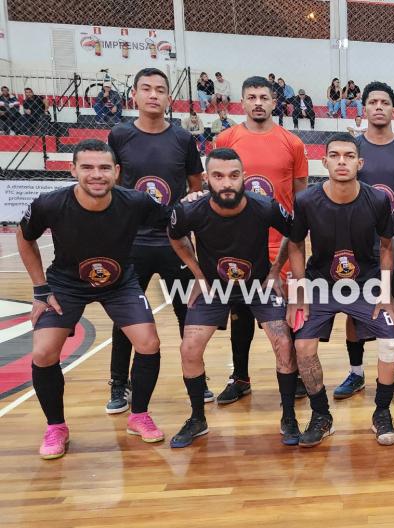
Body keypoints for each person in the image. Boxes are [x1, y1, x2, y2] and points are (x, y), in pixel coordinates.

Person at [18, 139, 167, 459]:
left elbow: (175, 222)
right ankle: (56, 427)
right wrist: (40, 289)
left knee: (148, 343)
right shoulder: (50, 204)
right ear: (73, 170)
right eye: (87, 167)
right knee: (43, 352)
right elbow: (24, 236)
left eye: (103, 168)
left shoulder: (136, 202)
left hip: (120, 282)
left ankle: (139, 415)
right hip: (66, 284)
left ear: (117, 171)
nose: (96, 174)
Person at [167, 148, 298, 448]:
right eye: (218, 176)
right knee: (189, 348)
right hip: (215, 287)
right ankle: (197, 418)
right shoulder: (189, 210)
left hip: (258, 286)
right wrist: (198, 274)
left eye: (234, 175)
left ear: (244, 178)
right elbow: (175, 236)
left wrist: (275, 270)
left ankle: (289, 416)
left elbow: (294, 233)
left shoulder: (264, 206)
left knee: (284, 343)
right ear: (206, 179)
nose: (226, 183)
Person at [287, 133, 394, 446]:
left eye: (349, 156)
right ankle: (321, 415)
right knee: (303, 347)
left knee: (391, 342)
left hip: (365, 283)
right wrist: (298, 291)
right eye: (335, 156)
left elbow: (388, 245)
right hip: (320, 283)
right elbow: (295, 245)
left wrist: (386, 292)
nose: (342, 162)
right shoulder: (306, 200)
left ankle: (382, 411)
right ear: (323, 161)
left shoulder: (377, 200)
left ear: (359, 163)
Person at [103, 68, 205, 414]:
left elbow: (195, 185)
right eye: (146, 88)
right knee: (125, 315)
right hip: (131, 243)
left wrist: (181, 218)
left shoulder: (182, 138)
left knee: (188, 313)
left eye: (160, 90)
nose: (153, 95)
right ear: (133, 95)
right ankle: (119, 382)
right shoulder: (119, 135)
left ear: (168, 98)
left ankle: (197, 377)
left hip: (173, 242)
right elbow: (110, 182)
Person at [212, 76, 309, 405]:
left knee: (286, 313)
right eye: (251, 97)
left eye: (263, 97)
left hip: (280, 245)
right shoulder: (226, 139)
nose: (257, 102)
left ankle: (294, 374)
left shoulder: (292, 143)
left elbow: (300, 197)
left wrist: (298, 238)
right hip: (238, 244)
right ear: (241, 102)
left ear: (274, 102)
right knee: (240, 312)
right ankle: (240, 377)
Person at [337, 81, 394, 399]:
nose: (378, 106)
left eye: (384, 102)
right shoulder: (353, 149)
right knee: (354, 309)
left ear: (393, 109)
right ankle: (356, 372)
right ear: (364, 108)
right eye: (372, 101)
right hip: (358, 244)